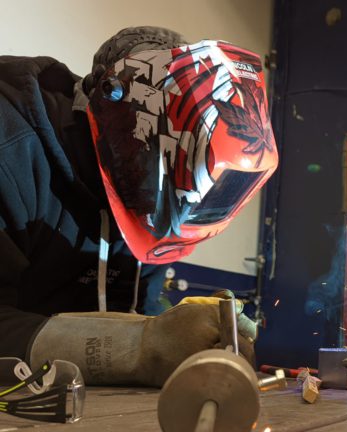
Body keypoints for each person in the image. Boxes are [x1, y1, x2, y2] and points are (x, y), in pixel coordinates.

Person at [0, 26, 278, 387]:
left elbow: (139, 312)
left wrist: (186, 337)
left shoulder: (153, 193)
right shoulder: (12, 150)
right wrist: (138, 346)